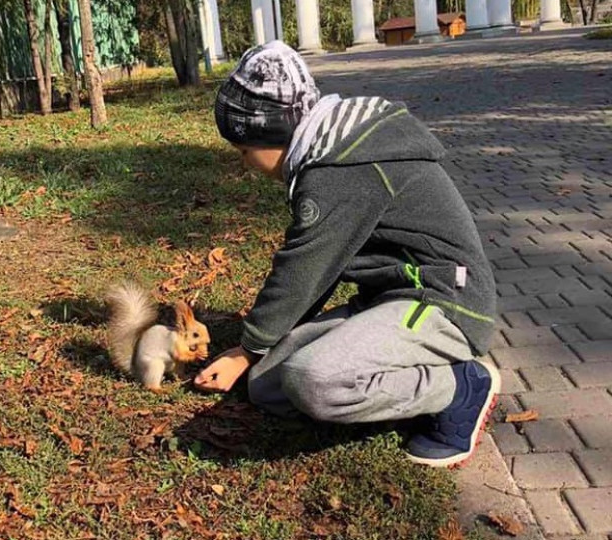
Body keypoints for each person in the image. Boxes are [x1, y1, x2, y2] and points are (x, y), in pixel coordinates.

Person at [193, 41, 500, 468]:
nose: (244, 163)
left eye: (243, 151)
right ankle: (391, 374)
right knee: (266, 384)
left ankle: (458, 387)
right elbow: (318, 270)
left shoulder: (337, 172)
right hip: (389, 298)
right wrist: (258, 355)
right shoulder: (329, 150)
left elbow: (302, 270)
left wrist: (246, 349)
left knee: (312, 381)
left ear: (268, 133)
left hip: (444, 302)